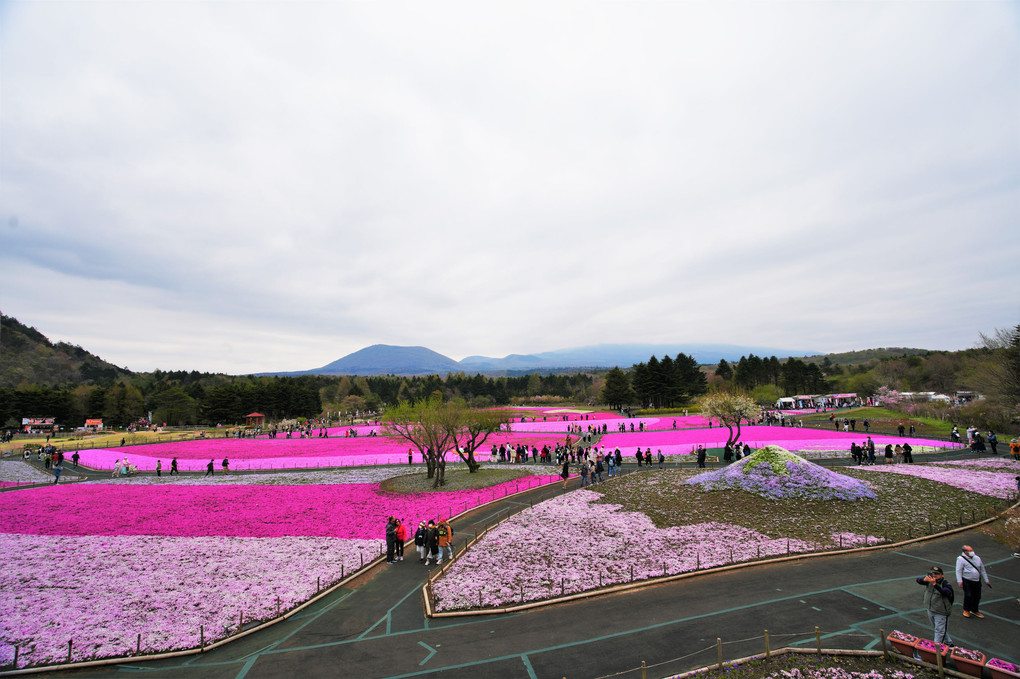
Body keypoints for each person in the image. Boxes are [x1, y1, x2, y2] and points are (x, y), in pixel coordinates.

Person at [917, 565, 954, 644]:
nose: (934, 575)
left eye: (936, 574)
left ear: (942, 575)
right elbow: (918, 580)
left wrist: (935, 585)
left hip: (941, 611)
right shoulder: (929, 581)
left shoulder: (945, 584)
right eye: (933, 573)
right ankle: (949, 642)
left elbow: (947, 592)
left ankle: (935, 649)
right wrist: (924, 579)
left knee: (939, 631)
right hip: (931, 609)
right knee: (938, 628)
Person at [956, 545, 991, 618]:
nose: (972, 552)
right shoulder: (961, 559)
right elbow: (958, 570)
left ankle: (974, 610)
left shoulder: (977, 558)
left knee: (977, 596)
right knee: (968, 595)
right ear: (965, 552)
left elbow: (982, 569)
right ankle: (966, 610)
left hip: (977, 580)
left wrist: (986, 580)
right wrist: (959, 581)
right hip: (967, 580)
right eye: (970, 551)